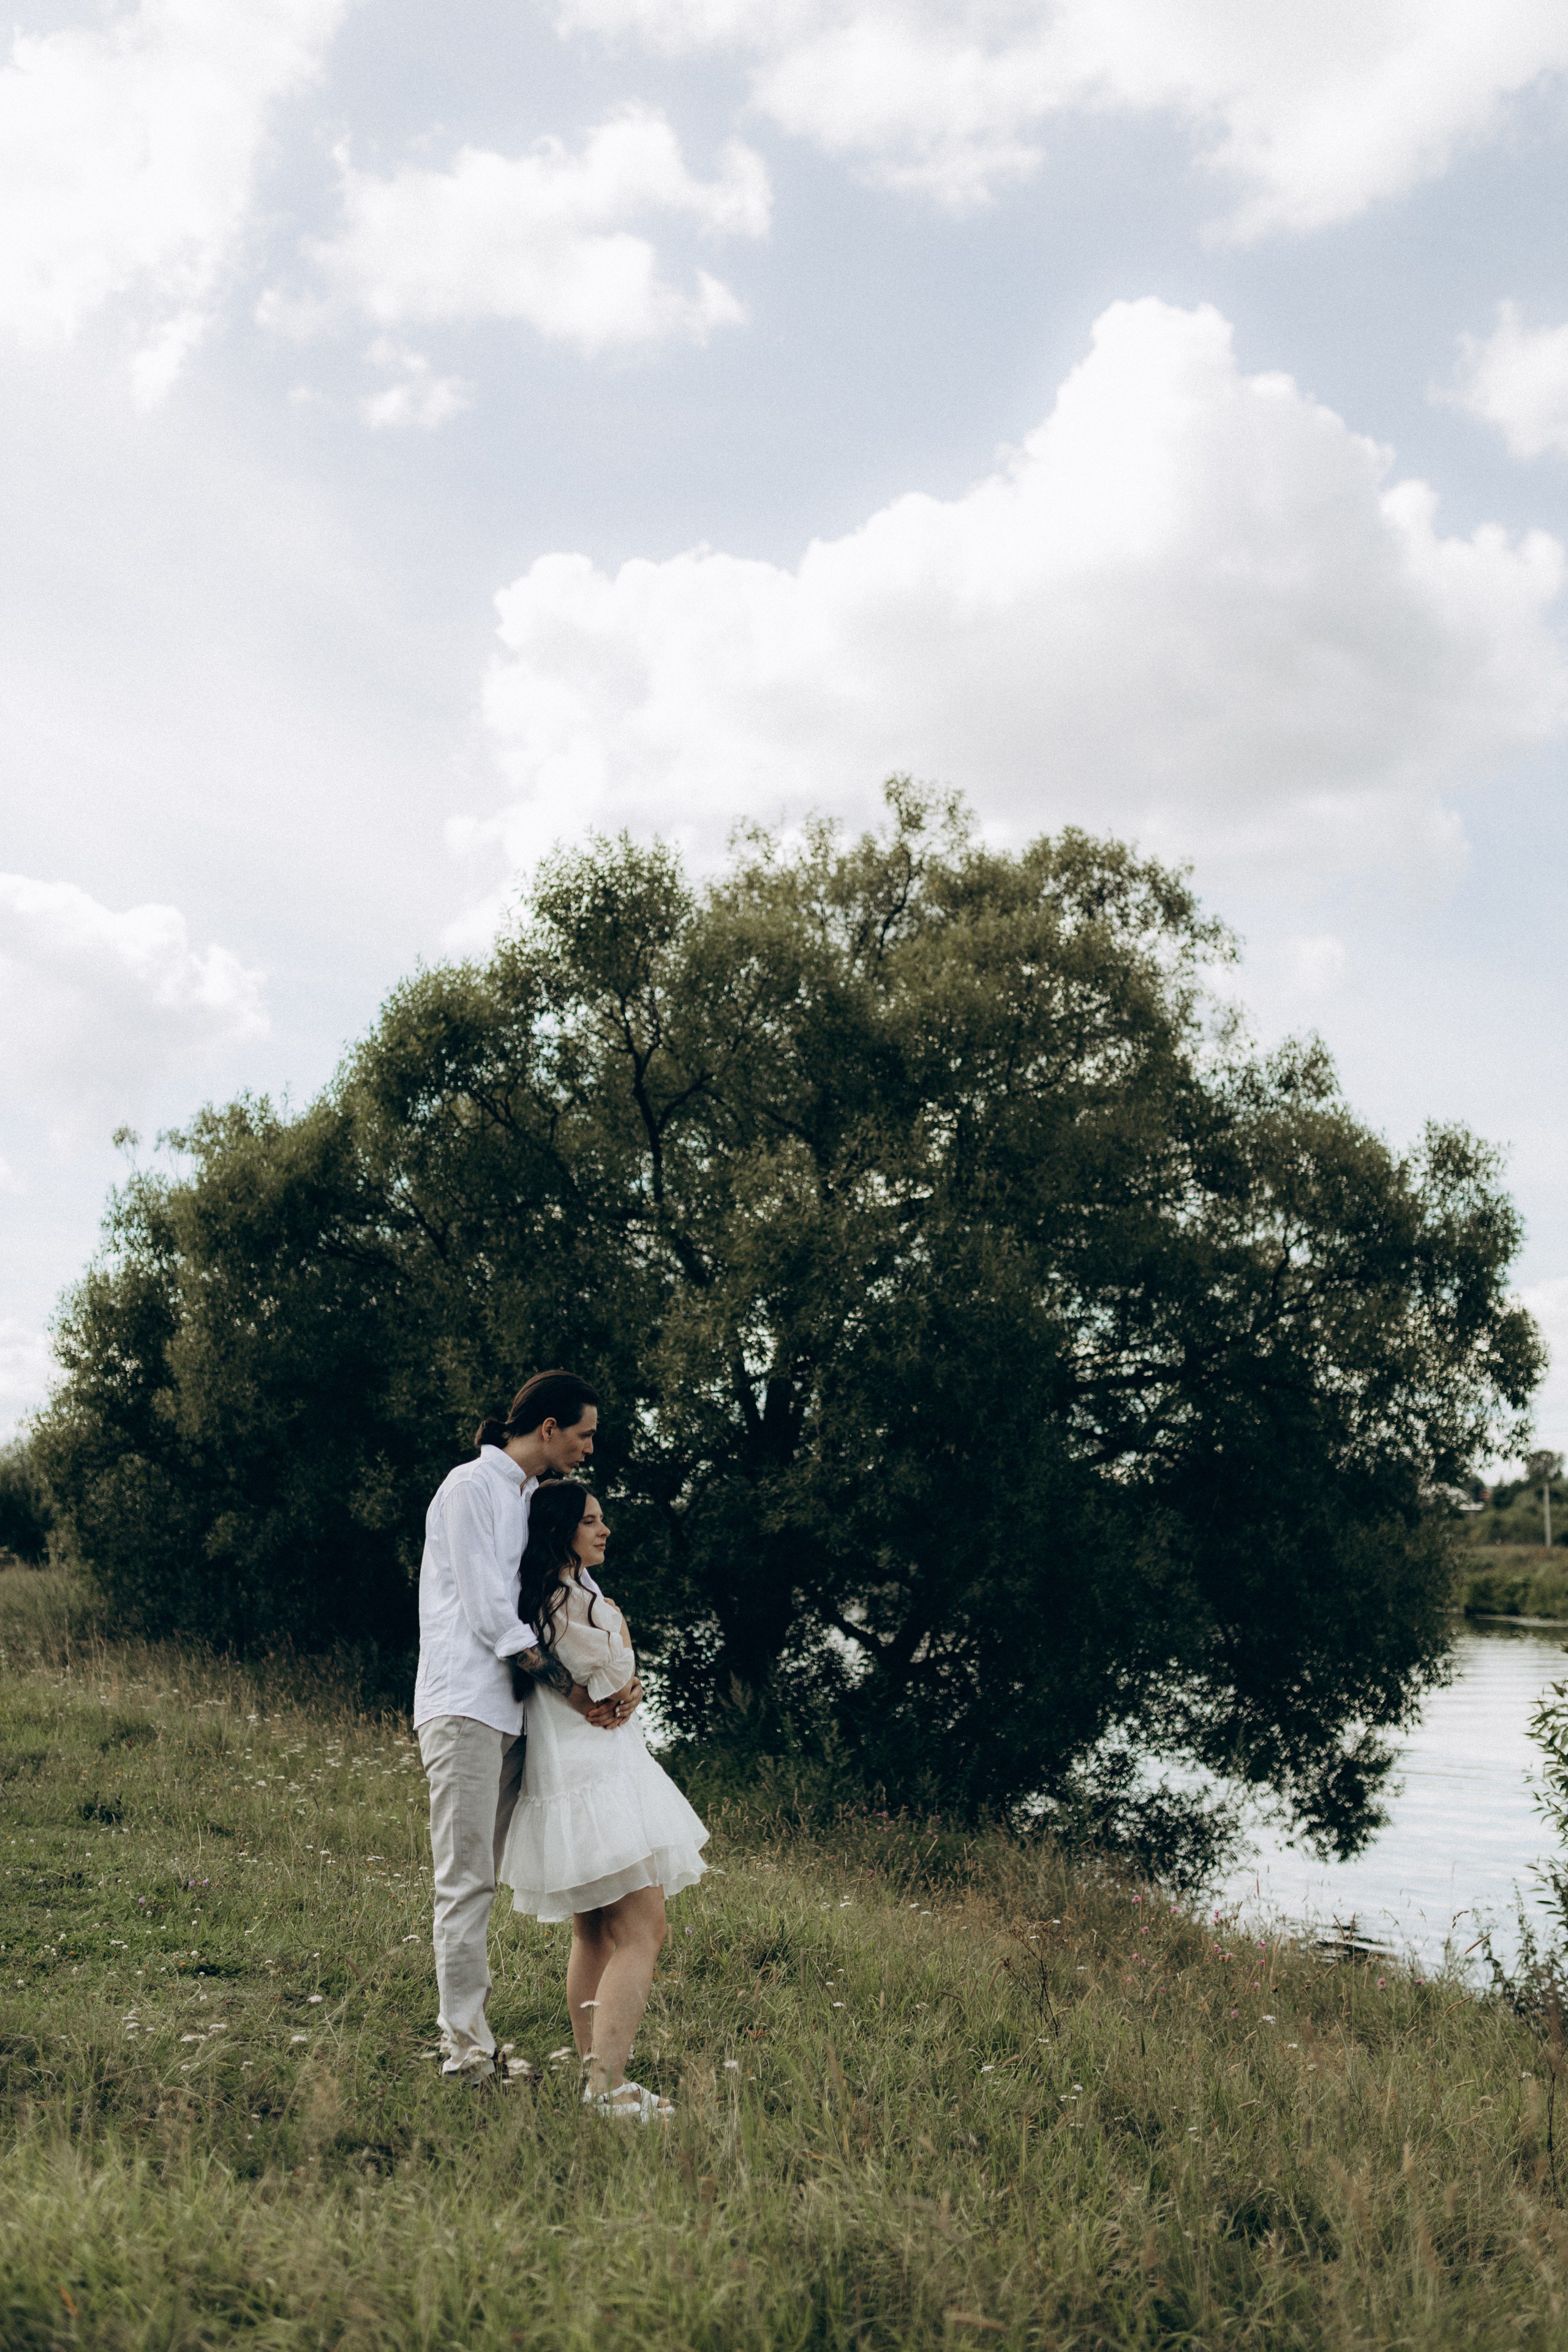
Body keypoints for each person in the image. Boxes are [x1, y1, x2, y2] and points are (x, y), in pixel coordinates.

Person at [412, 1370, 640, 2082]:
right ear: (547, 1429)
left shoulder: (530, 1500)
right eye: (583, 1433)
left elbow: (564, 1599)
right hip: (465, 1707)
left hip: (514, 1714)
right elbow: (489, 1616)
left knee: (485, 1878)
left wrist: (619, 1682)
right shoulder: (470, 1490)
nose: (588, 1447)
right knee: (466, 1881)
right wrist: (574, 1692)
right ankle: (466, 2054)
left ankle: (479, 2044)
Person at [499, 1478, 708, 2122]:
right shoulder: (572, 1603)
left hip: (579, 1776)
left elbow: (616, 1682)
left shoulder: (560, 1598)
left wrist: (628, 1673)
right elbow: (614, 1677)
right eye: (590, 1520)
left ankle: (599, 2083)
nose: (603, 1529)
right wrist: (623, 1642)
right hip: (595, 1781)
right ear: (561, 1531)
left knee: (594, 1932)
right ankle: (607, 2088)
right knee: (644, 1930)